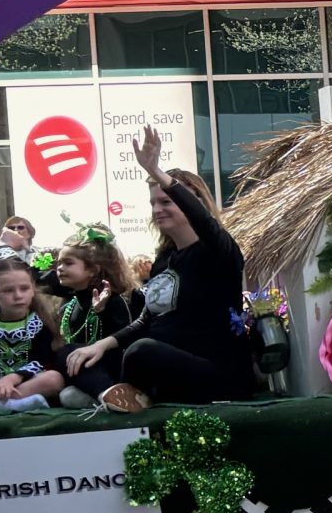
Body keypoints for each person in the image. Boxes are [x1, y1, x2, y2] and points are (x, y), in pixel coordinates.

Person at [57, 128, 255, 413]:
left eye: (166, 201)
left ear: (192, 202)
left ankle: (114, 395)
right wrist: (102, 345)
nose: (157, 209)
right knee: (72, 352)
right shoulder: (165, 259)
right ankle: (112, 395)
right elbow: (146, 320)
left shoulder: (218, 251)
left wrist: (158, 172)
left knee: (142, 352)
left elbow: (204, 221)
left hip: (213, 370)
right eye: (153, 202)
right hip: (158, 361)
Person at [44, 228, 140, 409]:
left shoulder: (114, 300)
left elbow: (126, 340)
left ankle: (113, 394)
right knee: (67, 392)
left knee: (69, 351)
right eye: (59, 263)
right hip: (78, 373)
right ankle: (105, 399)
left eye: (68, 263)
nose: (60, 268)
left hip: (110, 371)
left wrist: (102, 312)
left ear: (92, 270)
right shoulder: (67, 305)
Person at [0, 254, 62, 411]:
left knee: (54, 379)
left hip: (24, 385)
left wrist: (13, 378)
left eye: (24, 288)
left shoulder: (41, 322)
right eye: (8, 290)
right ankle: (5, 405)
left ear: (32, 290)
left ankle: (2, 404)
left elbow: (41, 360)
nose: (18, 295)